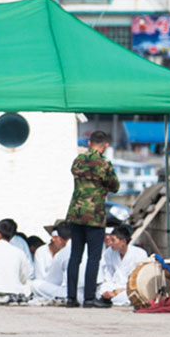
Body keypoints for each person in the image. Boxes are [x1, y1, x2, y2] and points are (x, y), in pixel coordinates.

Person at [65, 130, 119, 309]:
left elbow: (76, 175)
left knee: (75, 256)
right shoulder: (104, 164)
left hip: (76, 213)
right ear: (105, 145)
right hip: (94, 216)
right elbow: (115, 186)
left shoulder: (78, 161)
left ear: (89, 143)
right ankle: (89, 299)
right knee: (93, 258)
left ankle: (70, 298)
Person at [99, 225, 148, 306]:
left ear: (123, 242)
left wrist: (118, 291)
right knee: (100, 290)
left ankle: (111, 298)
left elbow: (140, 279)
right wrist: (110, 290)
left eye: (113, 240)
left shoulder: (140, 254)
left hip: (130, 288)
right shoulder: (108, 253)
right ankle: (110, 297)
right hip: (114, 285)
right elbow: (108, 274)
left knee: (127, 295)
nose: (110, 243)